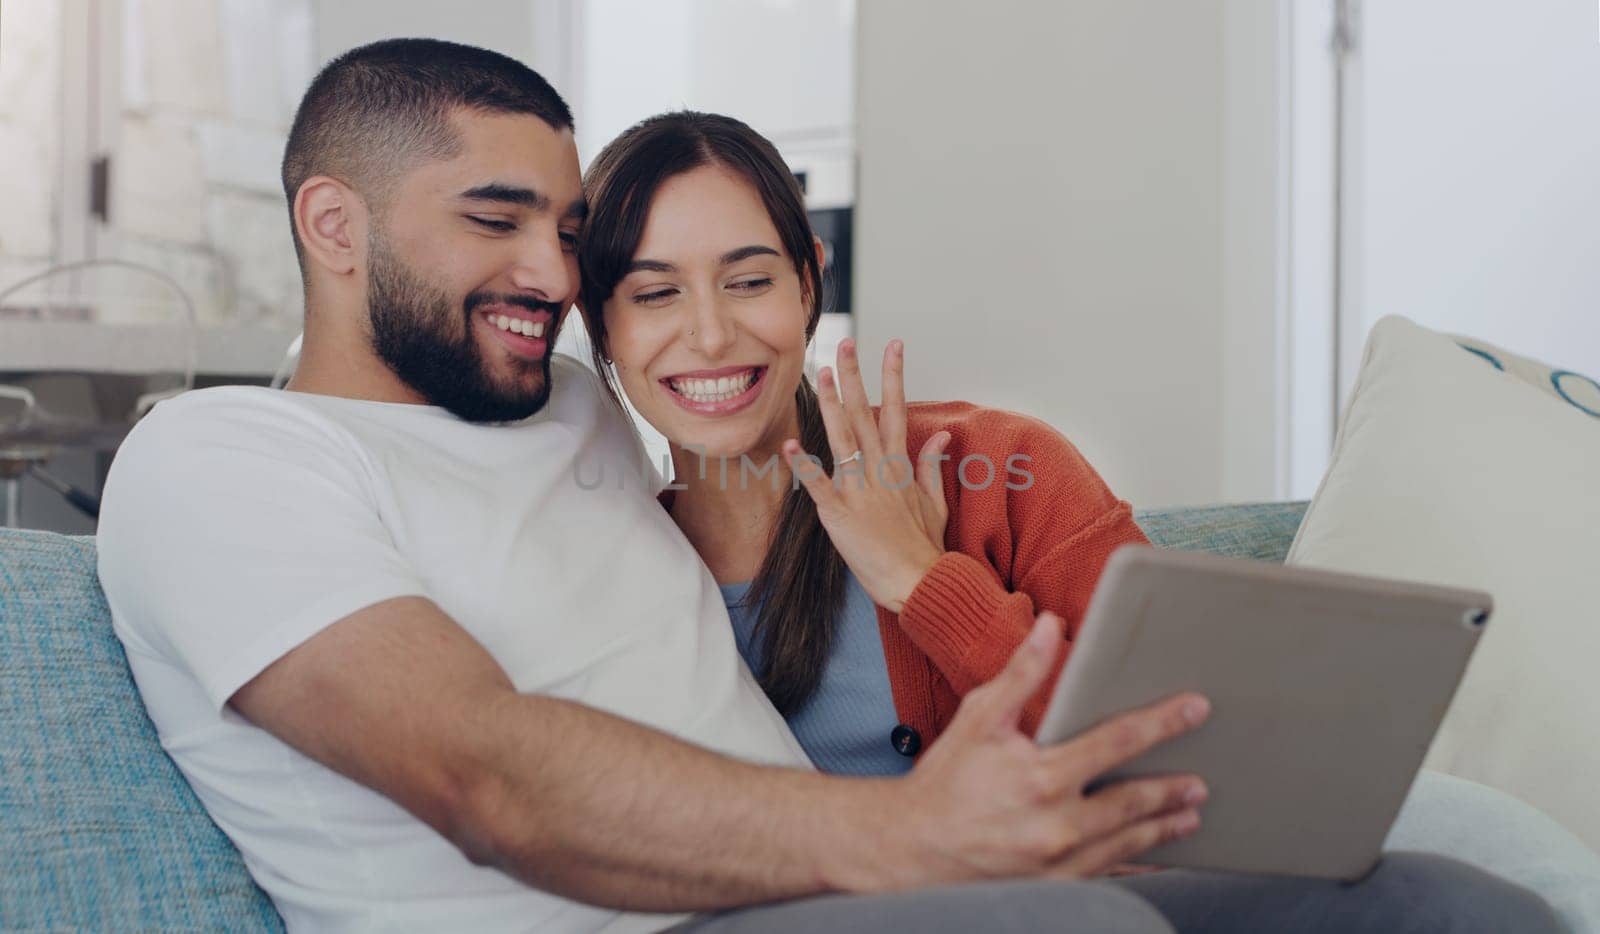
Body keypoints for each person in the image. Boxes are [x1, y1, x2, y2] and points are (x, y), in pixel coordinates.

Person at [93, 40, 1558, 934]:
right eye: (500, 222)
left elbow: (734, 392)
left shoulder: (568, 410)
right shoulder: (219, 461)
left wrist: (924, 554)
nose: (550, 275)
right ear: (331, 225)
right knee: (1073, 928)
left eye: (565, 232)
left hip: (825, 896)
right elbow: (489, 774)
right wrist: (917, 837)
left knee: (1451, 906)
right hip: (665, 923)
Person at [574, 110, 1570, 932]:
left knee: (1456, 901)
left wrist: (925, 581)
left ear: (808, 280)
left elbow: (1168, 771)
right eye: (654, 294)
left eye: (748, 280)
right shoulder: (592, 554)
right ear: (603, 326)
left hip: (1088, 873)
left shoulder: (994, 467)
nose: (709, 332)